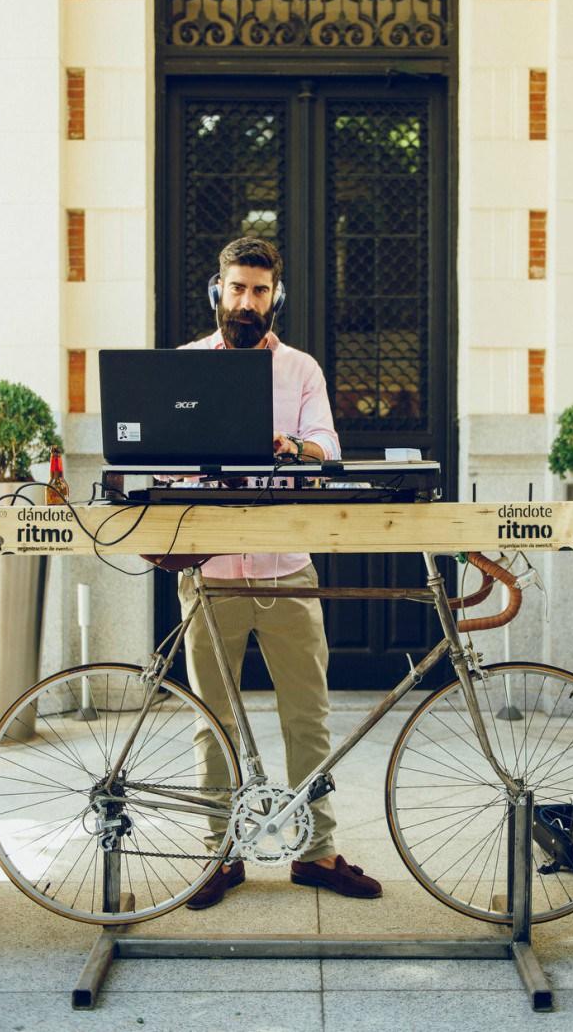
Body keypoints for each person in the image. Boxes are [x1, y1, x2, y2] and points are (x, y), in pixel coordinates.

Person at [178, 236, 382, 909]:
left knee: (308, 717)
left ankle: (316, 852)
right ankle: (219, 853)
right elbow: (165, 458)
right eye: (237, 287)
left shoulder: (301, 369)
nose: (247, 301)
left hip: (288, 571)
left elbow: (328, 446)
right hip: (211, 572)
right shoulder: (185, 366)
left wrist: (292, 445)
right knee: (212, 721)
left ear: (276, 297)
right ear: (218, 290)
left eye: (259, 291)